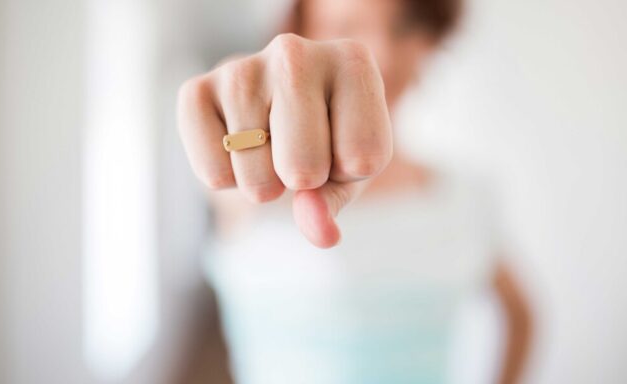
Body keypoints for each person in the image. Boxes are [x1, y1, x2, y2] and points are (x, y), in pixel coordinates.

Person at [176, 0, 533, 383]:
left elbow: (521, 313)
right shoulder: (258, 187)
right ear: (299, 37)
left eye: (404, 28)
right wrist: (228, 104)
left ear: (433, 39)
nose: (379, 52)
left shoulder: (466, 195)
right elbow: (227, 184)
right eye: (346, 25)